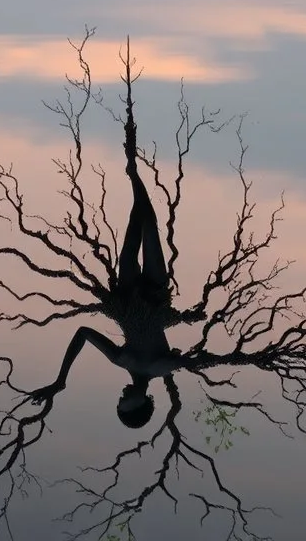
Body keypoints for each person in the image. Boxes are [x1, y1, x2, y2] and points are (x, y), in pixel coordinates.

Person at [28, 110, 186, 428]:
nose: (120, 401)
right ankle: (132, 172)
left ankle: (132, 172)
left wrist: (61, 380)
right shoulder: (156, 368)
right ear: (140, 405)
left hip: (127, 298)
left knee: (137, 220)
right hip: (153, 297)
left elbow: (83, 333)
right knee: (148, 223)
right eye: (124, 406)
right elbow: (189, 359)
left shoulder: (124, 360)